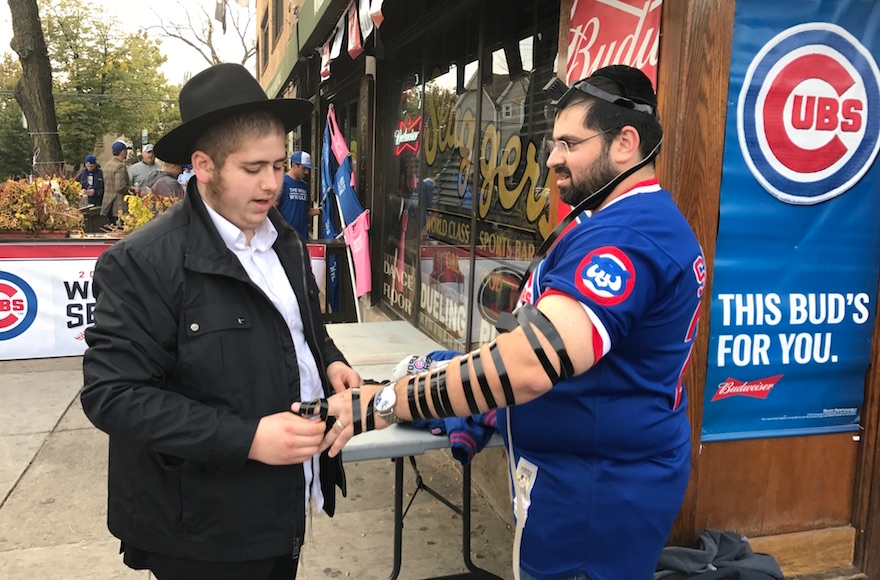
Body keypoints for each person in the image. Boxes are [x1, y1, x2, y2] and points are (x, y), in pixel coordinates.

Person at [316, 65, 705, 580]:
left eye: (569, 142)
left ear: (625, 143)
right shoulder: (617, 219)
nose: (552, 157)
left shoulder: (626, 238)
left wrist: (386, 401)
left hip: (592, 495)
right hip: (590, 477)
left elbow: (528, 366)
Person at [81, 63, 362, 580]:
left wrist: (331, 362)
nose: (273, 184)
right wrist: (247, 438)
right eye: (253, 169)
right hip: (201, 533)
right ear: (204, 167)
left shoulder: (287, 241)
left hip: (284, 508)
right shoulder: (143, 261)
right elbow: (112, 395)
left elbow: (301, 328)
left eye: (279, 165)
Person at [275, 151, 321, 239]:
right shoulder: (282, 182)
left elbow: (306, 212)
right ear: (294, 165)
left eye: (308, 169)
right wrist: (283, 226)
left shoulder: (305, 186)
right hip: (284, 237)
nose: (307, 172)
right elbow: (272, 207)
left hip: (302, 236)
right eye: (304, 168)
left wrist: (320, 210)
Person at [100, 141, 132, 223]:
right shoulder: (120, 166)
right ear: (123, 152)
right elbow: (120, 187)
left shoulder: (107, 165)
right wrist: (134, 190)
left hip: (108, 205)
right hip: (119, 207)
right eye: (126, 151)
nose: (127, 153)